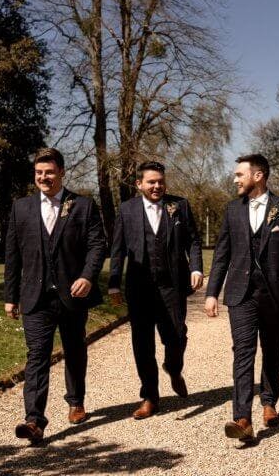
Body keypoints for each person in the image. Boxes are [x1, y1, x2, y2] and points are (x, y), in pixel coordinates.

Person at [4, 147, 107, 444]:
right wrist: (11, 295)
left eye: (49, 172)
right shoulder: (20, 208)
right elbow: (13, 256)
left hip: (72, 295)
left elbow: (97, 245)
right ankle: (34, 420)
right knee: (37, 356)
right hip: (35, 297)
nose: (43, 177)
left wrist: (87, 276)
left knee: (75, 349)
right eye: (38, 173)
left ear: (62, 172)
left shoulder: (83, 205)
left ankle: (76, 400)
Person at [204, 154, 279, 442]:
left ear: (258, 175)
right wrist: (212, 293)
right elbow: (222, 254)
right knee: (243, 352)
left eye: (240, 175)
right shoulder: (232, 210)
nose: (235, 179)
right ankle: (243, 419)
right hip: (241, 294)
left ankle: (269, 402)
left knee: (272, 349)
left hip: (275, 294)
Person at [108, 161, 203, 419]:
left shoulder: (179, 205)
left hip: (172, 285)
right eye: (151, 182)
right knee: (142, 343)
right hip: (139, 289)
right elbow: (117, 250)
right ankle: (150, 397)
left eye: (160, 181)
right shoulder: (127, 210)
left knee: (176, 335)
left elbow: (193, 240)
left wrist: (196, 268)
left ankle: (173, 367)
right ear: (139, 184)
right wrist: (114, 282)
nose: (157, 186)